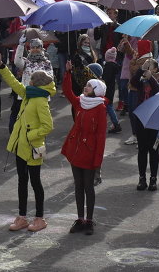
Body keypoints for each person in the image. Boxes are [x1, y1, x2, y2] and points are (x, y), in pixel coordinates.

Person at [0, 50, 54, 233]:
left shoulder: (40, 100)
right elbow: (13, 81)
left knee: (35, 182)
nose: (27, 82)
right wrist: (1, 65)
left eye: (31, 80)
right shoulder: (29, 94)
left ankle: (39, 218)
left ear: (37, 83)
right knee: (22, 180)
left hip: (35, 147)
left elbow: (48, 126)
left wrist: (30, 135)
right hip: (21, 147)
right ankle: (22, 217)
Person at [61, 60, 107, 235]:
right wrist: (68, 73)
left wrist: (98, 163)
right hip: (75, 150)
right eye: (87, 85)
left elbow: (101, 137)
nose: (86, 87)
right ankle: (80, 219)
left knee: (89, 187)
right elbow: (67, 92)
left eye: (89, 85)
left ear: (97, 90)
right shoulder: (80, 102)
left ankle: (89, 220)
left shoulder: (101, 108)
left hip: (89, 153)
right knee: (78, 186)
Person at [131, 58, 159, 191]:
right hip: (141, 119)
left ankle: (153, 179)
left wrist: (151, 78)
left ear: (155, 69)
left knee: (154, 150)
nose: (147, 69)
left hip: (155, 120)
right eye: (147, 66)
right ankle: (142, 178)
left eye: (150, 66)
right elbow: (132, 82)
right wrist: (141, 69)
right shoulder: (141, 81)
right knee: (142, 149)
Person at [10, 37, 54, 134]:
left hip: (41, 96)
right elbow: (17, 61)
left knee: (39, 119)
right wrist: (21, 45)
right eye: (32, 47)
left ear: (41, 48)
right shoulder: (26, 62)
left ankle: (36, 137)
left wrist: (37, 82)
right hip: (27, 94)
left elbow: (50, 79)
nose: (35, 49)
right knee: (25, 118)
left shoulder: (47, 63)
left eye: (37, 47)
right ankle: (22, 136)